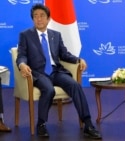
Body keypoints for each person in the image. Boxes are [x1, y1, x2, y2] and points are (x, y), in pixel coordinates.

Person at [16, 4, 101, 139]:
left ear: (49, 18)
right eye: (36, 16)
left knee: (75, 85)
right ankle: (41, 124)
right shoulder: (26, 35)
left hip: (56, 72)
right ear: (33, 19)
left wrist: (78, 60)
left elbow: (64, 54)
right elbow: (21, 55)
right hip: (38, 73)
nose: (39, 19)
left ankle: (88, 124)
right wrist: (21, 65)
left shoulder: (55, 35)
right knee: (49, 90)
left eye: (42, 16)